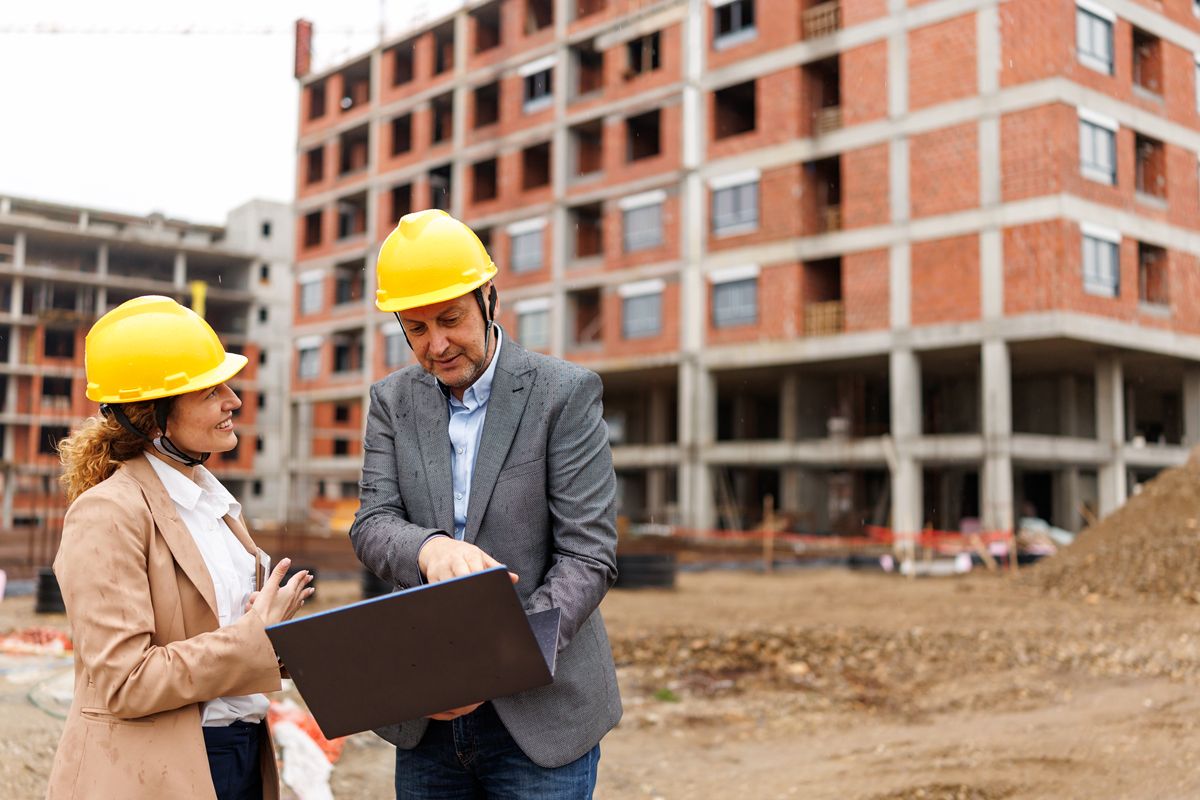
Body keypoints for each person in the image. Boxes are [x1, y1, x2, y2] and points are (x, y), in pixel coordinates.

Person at [350, 209, 622, 799]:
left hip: (543, 717)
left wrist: (498, 661)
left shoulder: (563, 394)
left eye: (451, 319)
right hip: (428, 717)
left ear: (489, 298)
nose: (437, 344)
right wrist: (429, 548)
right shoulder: (392, 401)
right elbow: (372, 523)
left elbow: (588, 556)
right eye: (416, 329)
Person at [45, 296, 314, 800]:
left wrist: (282, 637)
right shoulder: (107, 513)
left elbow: (231, 639)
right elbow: (127, 682)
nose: (233, 400)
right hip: (157, 771)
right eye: (211, 390)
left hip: (242, 756)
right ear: (154, 415)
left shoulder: (213, 504)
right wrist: (255, 636)